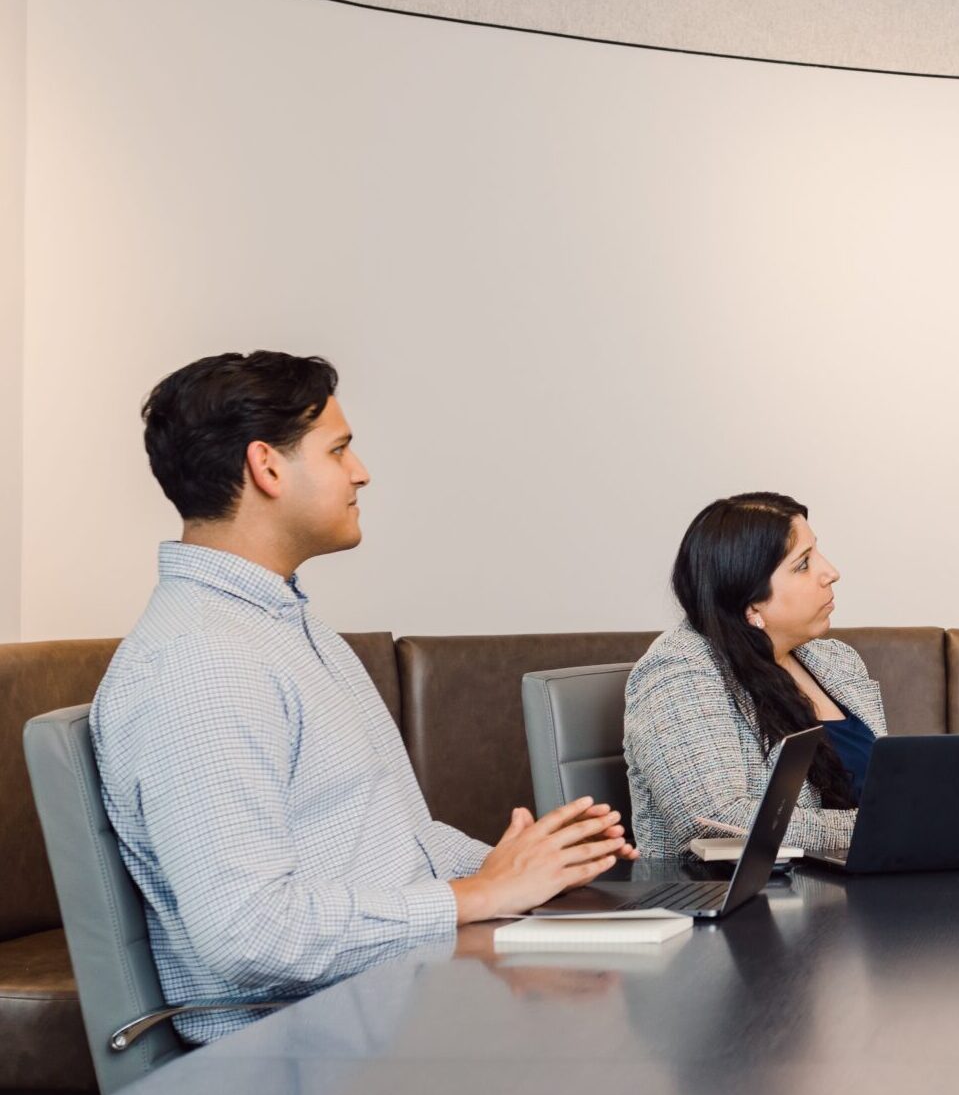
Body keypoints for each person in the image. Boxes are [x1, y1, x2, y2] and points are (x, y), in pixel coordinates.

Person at [92, 352, 633, 1042]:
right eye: (339, 449)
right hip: (307, 1058)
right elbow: (249, 932)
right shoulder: (201, 664)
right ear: (268, 467)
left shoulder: (283, 627)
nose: (361, 472)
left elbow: (393, 846)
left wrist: (530, 865)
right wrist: (481, 895)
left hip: (388, 1009)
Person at [624, 493, 887, 861]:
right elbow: (712, 821)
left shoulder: (837, 661)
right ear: (751, 604)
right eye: (803, 564)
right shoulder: (679, 671)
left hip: (860, 889)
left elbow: (884, 790)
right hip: (741, 905)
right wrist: (879, 824)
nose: (831, 572)